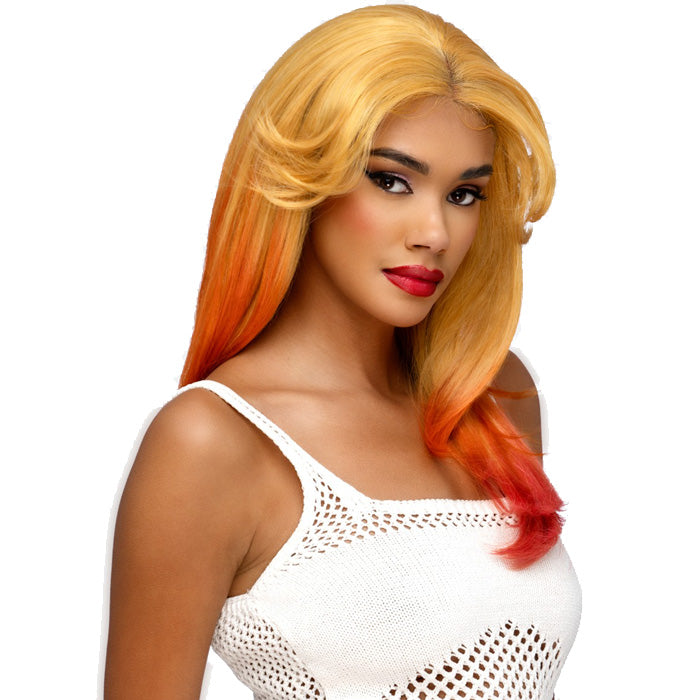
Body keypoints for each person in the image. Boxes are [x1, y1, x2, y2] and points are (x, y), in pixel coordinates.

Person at [104, 4, 581, 699]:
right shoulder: (211, 443)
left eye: (464, 193)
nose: (435, 232)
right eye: (391, 180)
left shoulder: (495, 395)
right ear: (304, 181)